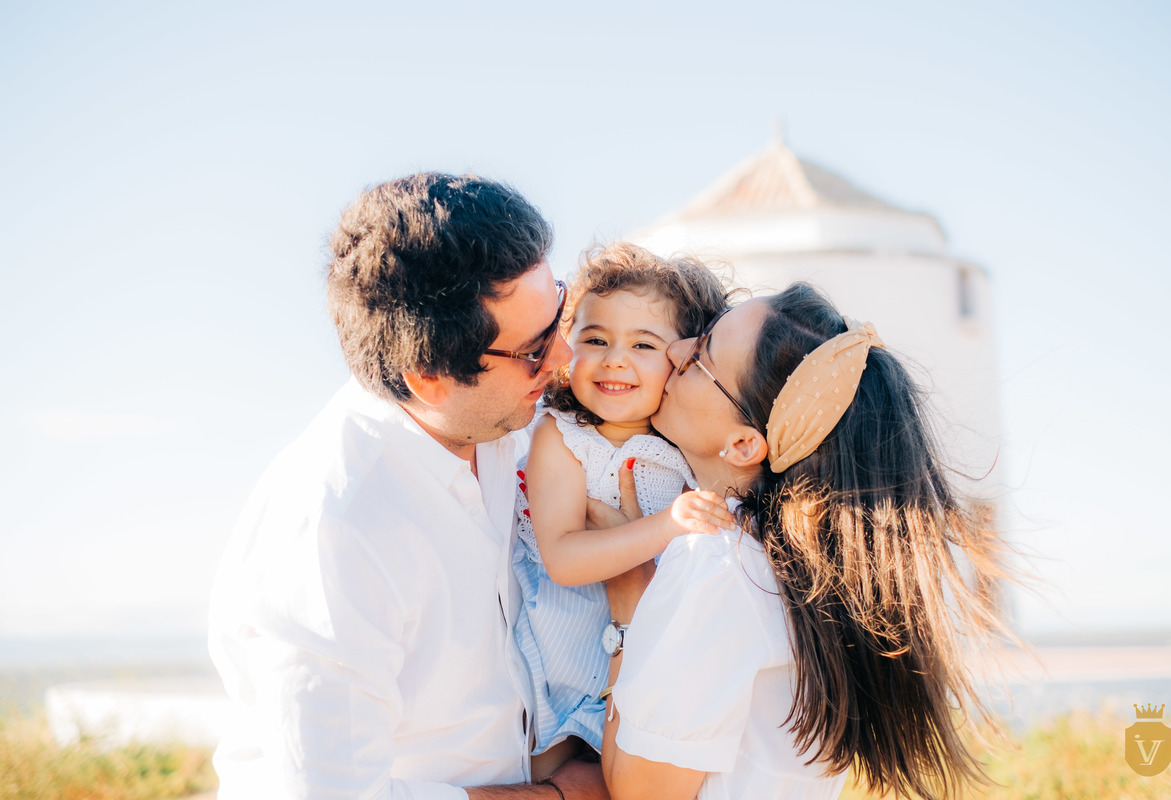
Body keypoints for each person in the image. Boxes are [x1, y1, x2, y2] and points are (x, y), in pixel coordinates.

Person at [208, 173, 606, 800]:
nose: (563, 358)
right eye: (533, 349)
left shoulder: (514, 420)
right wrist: (564, 798)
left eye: (559, 309)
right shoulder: (335, 525)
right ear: (428, 377)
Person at [597, 283, 1011, 800]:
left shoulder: (721, 563)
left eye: (700, 356)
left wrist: (628, 606)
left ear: (744, 443)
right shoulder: (801, 573)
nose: (675, 350)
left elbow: (638, 794)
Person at [512, 242, 735, 778]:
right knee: (541, 783)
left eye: (642, 344)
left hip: (645, 669)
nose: (615, 358)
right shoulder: (562, 436)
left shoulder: (685, 446)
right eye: (595, 339)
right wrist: (665, 525)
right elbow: (564, 557)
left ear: (682, 359)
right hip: (558, 669)